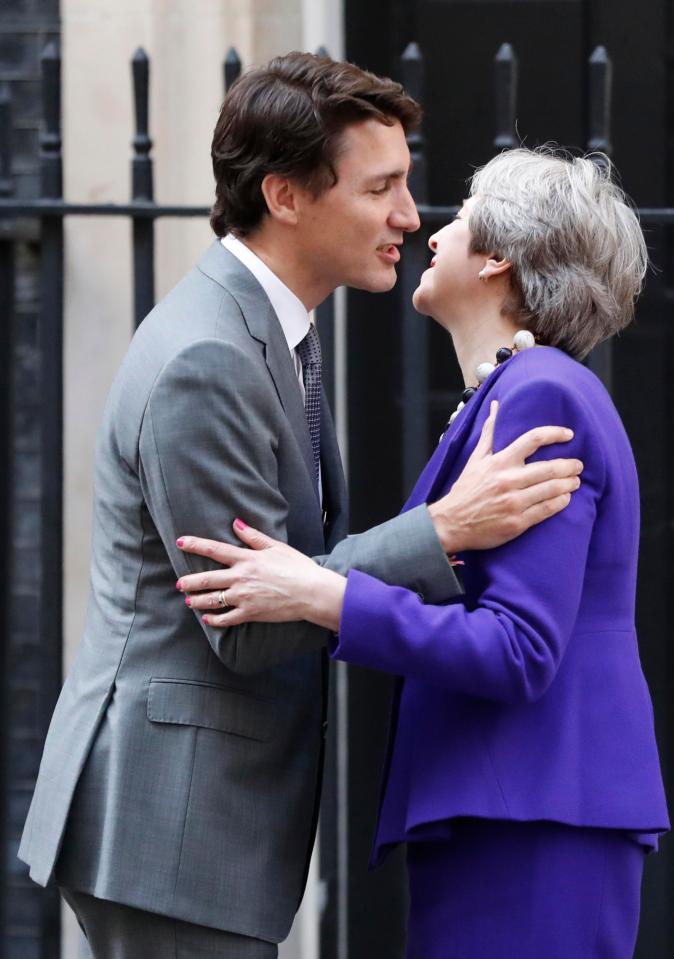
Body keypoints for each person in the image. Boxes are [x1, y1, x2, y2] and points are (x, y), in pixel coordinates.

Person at [18, 56, 583, 957]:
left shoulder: (270, 337)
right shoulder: (209, 359)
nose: (409, 215)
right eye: (382, 187)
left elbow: (287, 577)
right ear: (284, 196)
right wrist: (443, 531)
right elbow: (247, 624)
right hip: (170, 830)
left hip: (197, 831)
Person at [177, 146, 671, 958]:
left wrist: (322, 595)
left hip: (532, 819)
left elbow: (518, 650)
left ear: (501, 256)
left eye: (458, 219)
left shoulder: (538, 392)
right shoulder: (510, 392)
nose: (429, 234)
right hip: (515, 810)